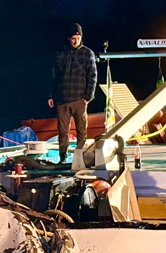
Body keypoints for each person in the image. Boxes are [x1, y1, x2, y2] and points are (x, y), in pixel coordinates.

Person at [48, 22, 97, 164]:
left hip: (79, 99)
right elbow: (53, 76)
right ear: (68, 38)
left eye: (78, 38)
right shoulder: (59, 53)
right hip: (62, 100)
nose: (75, 41)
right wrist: (50, 95)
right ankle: (62, 158)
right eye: (73, 38)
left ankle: (81, 157)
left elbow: (92, 76)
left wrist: (88, 96)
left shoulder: (88, 53)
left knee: (81, 131)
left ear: (81, 37)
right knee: (63, 131)